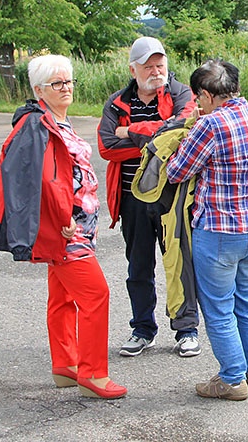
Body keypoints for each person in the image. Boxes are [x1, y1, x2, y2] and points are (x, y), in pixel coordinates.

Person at [0, 55, 126, 399]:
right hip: (65, 229)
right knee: (95, 294)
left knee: (62, 297)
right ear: (39, 89)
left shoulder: (58, 121)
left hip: (75, 226)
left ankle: (65, 365)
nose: (66, 88)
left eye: (69, 81)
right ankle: (93, 374)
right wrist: (62, 219)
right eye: (58, 83)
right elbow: (40, 179)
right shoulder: (38, 124)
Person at [166, 59, 248, 401]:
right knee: (247, 300)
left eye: (199, 97)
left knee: (218, 307)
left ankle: (231, 378)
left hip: (220, 229)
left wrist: (188, 135)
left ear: (205, 95)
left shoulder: (210, 125)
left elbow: (177, 171)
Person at [97, 36, 201, 358]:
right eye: (148, 66)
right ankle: (142, 329)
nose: (156, 71)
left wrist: (129, 131)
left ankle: (186, 330)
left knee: (180, 262)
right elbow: (105, 147)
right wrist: (157, 136)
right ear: (133, 69)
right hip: (132, 199)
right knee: (138, 267)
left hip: (172, 196)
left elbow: (181, 132)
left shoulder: (183, 93)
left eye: (160, 64)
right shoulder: (116, 102)